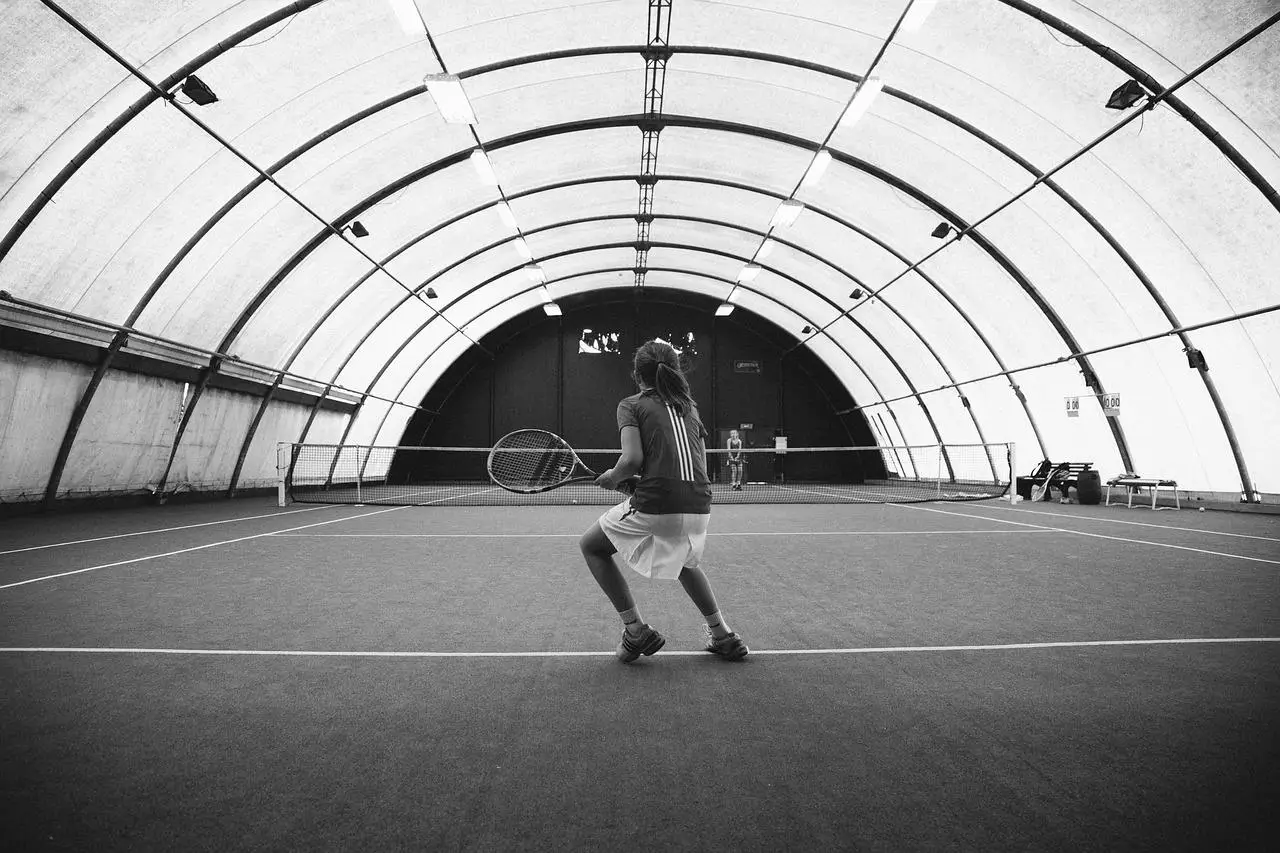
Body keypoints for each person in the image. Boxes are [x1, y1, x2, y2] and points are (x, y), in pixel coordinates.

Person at [579, 340, 749, 663]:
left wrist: (613, 478)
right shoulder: (690, 407)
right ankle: (723, 635)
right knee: (684, 561)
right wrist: (639, 484)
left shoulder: (630, 405)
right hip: (700, 505)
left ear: (636, 375)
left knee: (591, 546)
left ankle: (634, 630)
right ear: (675, 371)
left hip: (659, 504)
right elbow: (695, 467)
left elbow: (631, 460)